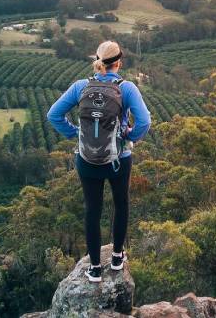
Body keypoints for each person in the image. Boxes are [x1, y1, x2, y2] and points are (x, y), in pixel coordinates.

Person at [47, 40, 151, 283]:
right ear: (119, 63)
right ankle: (116, 258)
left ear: (96, 60)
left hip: (86, 160)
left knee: (92, 210)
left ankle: (94, 268)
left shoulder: (80, 86)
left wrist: (76, 134)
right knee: (121, 204)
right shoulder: (127, 89)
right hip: (119, 159)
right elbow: (144, 121)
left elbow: (53, 115)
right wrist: (128, 137)